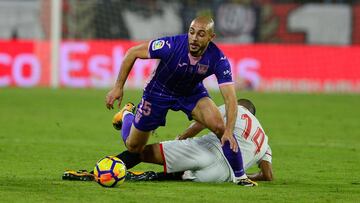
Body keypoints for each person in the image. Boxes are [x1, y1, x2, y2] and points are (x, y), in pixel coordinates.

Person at [105, 15, 254, 185]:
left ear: (211, 37)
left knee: (220, 126)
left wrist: (229, 130)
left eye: (201, 34)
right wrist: (118, 87)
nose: (194, 38)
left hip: (191, 92)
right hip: (158, 92)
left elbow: (231, 99)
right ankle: (126, 115)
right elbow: (132, 53)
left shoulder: (218, 58)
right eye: (192, 32)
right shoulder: (171, 45)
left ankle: (240, 177)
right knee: (134, 147)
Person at [63, 99, 273, 183]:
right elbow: (267, 175)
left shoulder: (235, 108)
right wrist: (246, 173)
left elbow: (202, 122)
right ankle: (152, 175)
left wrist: (181, 138)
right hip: (221, 175)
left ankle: (126, 115)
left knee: (140, 150)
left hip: (203, 149)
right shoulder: (265, 140)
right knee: (183, 176)